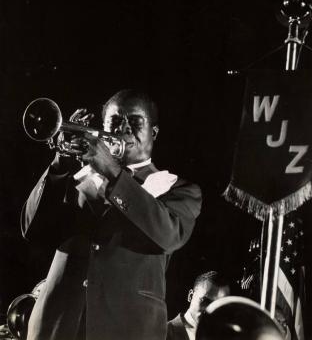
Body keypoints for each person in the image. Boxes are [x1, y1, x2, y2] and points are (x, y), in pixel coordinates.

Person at [21, 89, 202, 340]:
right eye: (115, 122)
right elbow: (32, 228)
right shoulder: (76, 177)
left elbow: (167, 235)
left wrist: (113, 172)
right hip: (57, 328)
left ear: (154, 133)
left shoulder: (177, 189)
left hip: (128, 330)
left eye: (135, 122)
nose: (124, 129)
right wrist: (60, 161)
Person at [167, 271, 230, 340]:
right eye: (205, 301)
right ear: (190, 296)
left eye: (219, 304)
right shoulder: (163, 332)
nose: (211, 309)